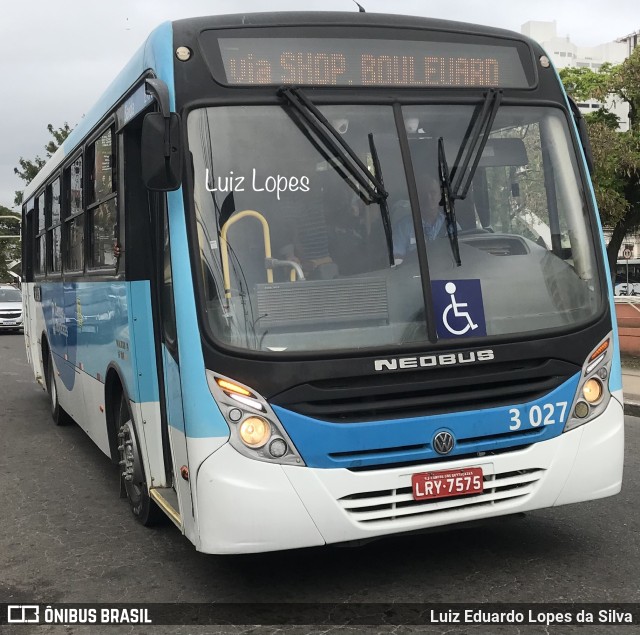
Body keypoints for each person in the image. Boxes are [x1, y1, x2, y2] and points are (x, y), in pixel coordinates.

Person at [392, 174, 450, 260]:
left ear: (440, 196)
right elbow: (396, 260)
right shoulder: (403, 228)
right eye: (423, 193)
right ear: (416, 197)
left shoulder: (451, 225)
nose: (428, 198)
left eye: (433, 193)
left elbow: (463, 253)